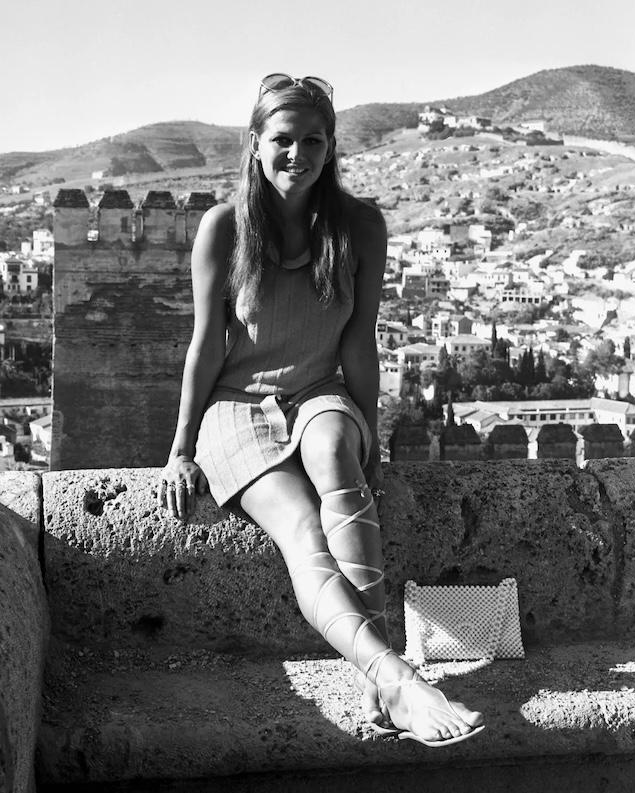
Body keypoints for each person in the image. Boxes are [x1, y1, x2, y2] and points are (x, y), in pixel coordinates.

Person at [159, 73, 484, 747]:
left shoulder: (360, 227)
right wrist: (180, 449)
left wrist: (373, 436)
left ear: (332, 146)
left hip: (319, 391)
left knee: (339, 455)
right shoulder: (224, 229)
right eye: (283, 140)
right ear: (254, 144)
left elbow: (360, 341)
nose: (297, 155)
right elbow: (203, 346)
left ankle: (385, 679)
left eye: (314, 140)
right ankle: (393, 675)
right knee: (303, 528)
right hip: (236, 405)